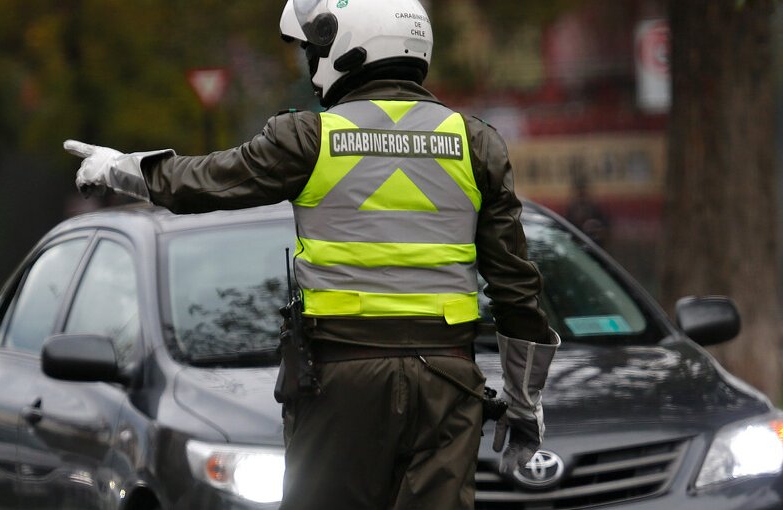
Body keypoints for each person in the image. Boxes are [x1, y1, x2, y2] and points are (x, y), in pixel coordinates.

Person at [65, 1, 558, 508]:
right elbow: (516, 288)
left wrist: (118, 168)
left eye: (312, 48)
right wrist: (524, 405)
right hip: (449, 382)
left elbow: (206, 182)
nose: (310, 60)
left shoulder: (309, 138)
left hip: (342, 382)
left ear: (344, 48)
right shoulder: (476, 144)